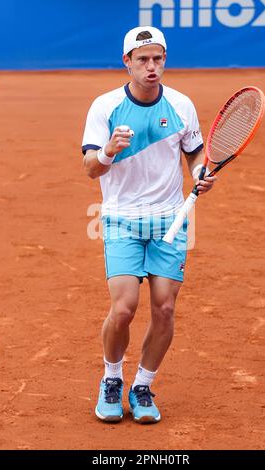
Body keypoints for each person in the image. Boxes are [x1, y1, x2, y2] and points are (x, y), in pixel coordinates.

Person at [82, 26, 216, 424]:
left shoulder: (181, 105)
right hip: (122, 219)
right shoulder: (104, 107)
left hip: (169, 220)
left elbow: (195, 155)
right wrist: (107, 151)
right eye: (142, 60)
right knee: (123, 309)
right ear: (127, 63)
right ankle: (111, 378)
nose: (151, 66)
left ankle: (142, 385)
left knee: (164, 308)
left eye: (158, 58)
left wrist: (201, 173)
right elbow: (90, 168)